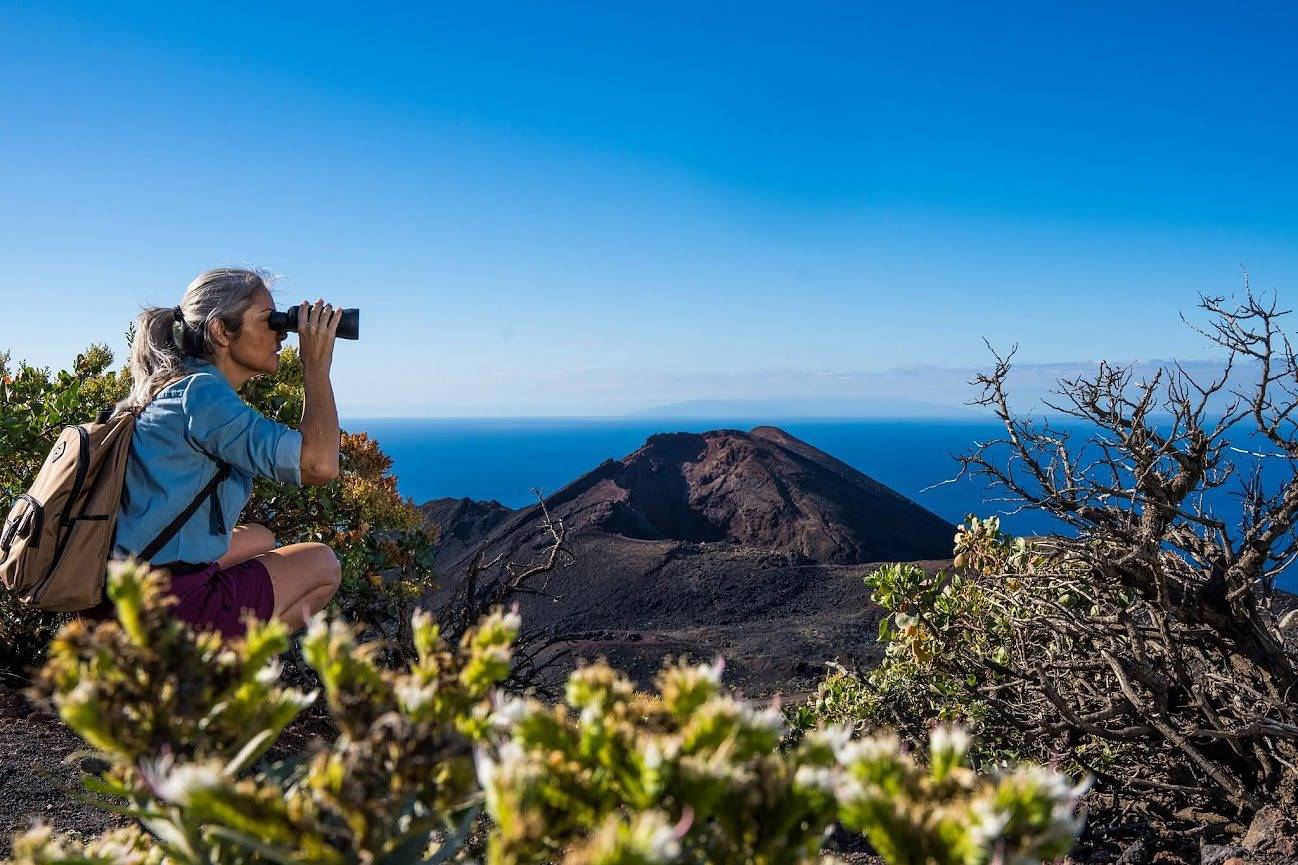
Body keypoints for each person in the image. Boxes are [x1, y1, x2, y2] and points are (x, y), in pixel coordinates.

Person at [109, 267, 343, 636]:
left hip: (120, 586)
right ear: (221, 331)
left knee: (261, 538)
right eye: (269, 321)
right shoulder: (202, 395)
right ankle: (219, 673)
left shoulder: (177, 384)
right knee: (322, 564)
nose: (282, 332)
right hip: (165, 606)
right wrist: (316, 368)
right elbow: (320, 464)